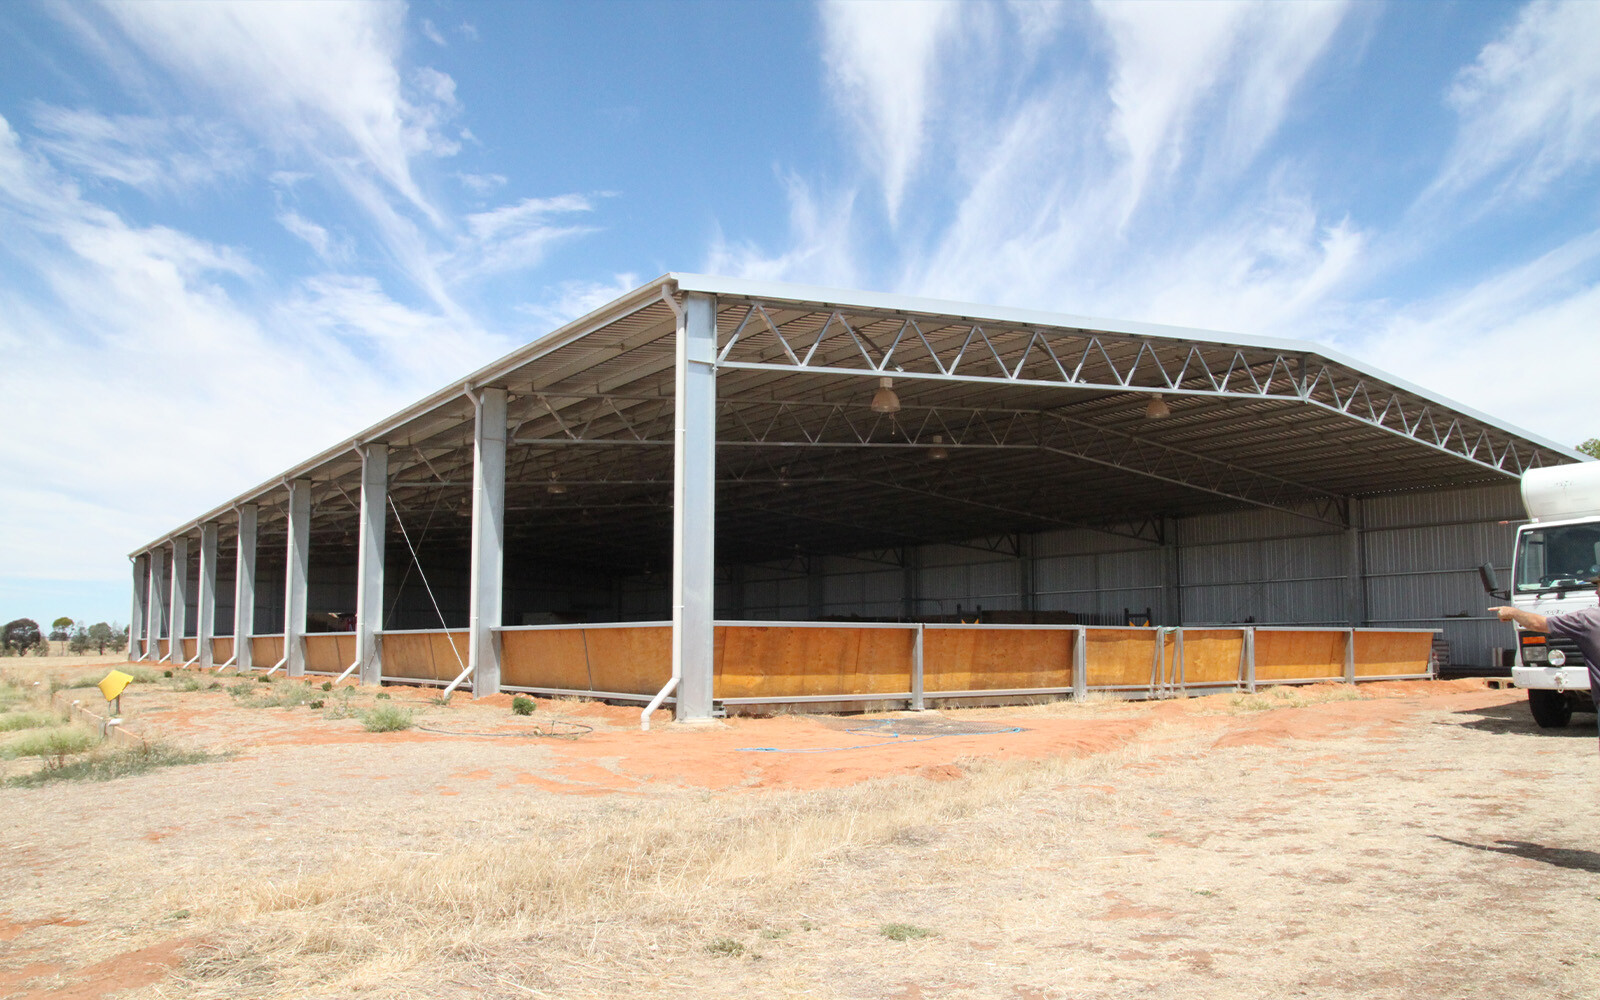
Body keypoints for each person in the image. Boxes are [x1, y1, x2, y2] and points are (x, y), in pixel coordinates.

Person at [1490, 584, 1600, 749]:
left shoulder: (1589, 619)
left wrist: (1513, 612)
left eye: (1599, 587)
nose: (1596, 592)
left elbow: (1538, 624)